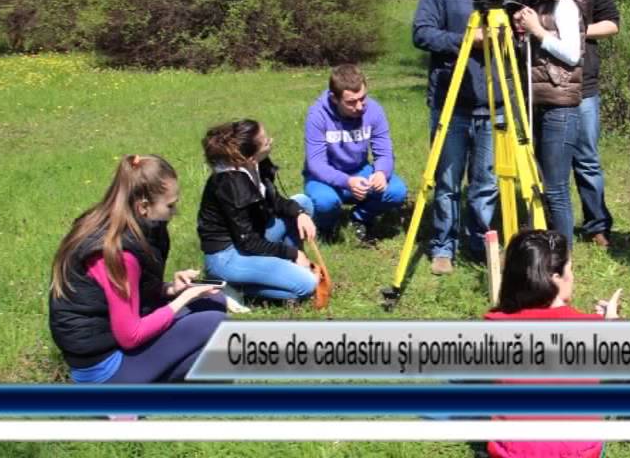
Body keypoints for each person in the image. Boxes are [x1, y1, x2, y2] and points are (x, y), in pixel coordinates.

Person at [49, 155, 227, 383]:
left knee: (214, 302)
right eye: (170, 205)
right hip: (104, 364)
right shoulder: (117, 252)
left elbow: (127, 294)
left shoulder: (137, 226)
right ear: (143, 207)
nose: (175, 212)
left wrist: (170, 289)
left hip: (115, 338)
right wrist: (181, 301)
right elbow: (130, 336)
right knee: (213, 322)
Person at [411, 0, 514, 275]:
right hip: (450, 103)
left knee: (486, 183)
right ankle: (443, 246)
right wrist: (466, 42)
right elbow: (422, 33)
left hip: (494, 104)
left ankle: (480, 242)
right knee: (447, 181)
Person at [485, 229, 621, 458]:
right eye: (571, 269)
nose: (573, 276)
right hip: (578, 451)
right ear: (556, 278)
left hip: (512, 451)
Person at [530, 0, 620, 248]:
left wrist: (571, 32)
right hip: (545, 88)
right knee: (546, 160)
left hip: (584, 85)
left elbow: (612, 23)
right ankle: (552, 221)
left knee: (586, 158)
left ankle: (596, 224)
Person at [197, 119, 320, 302]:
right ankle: (228, 286)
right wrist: (293, 253)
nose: (270, 140)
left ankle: (287, 268)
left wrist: (300, 214)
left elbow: (275, 201)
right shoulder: (231, 184)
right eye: (265, 141)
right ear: (250, 157)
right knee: (307, 286)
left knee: (303, 203)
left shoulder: (257, 163)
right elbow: (249, 243)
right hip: (229, 255)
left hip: (255, 233)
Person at [512, 0, 585, 249]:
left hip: (559, 107)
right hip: (535, 103)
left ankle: (563, 258)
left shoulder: (563, 4)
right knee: (538, 181)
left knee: (555, 189)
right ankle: (544, 248)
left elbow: (571, 54)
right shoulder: (536, 6)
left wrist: (538, 31)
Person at [303, 64, 407, 244]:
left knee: (397, 191)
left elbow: (384, 152)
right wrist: (347, 182)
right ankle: (326, 228)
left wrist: (382, 172)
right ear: (334, 99)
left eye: (362, 98)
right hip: (324, 177)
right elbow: (316, 164)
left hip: (359, 171)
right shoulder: (317, 115)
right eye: (351, 102)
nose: (360, 106)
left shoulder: (374, 110)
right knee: (325, 201)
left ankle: (359, 218)